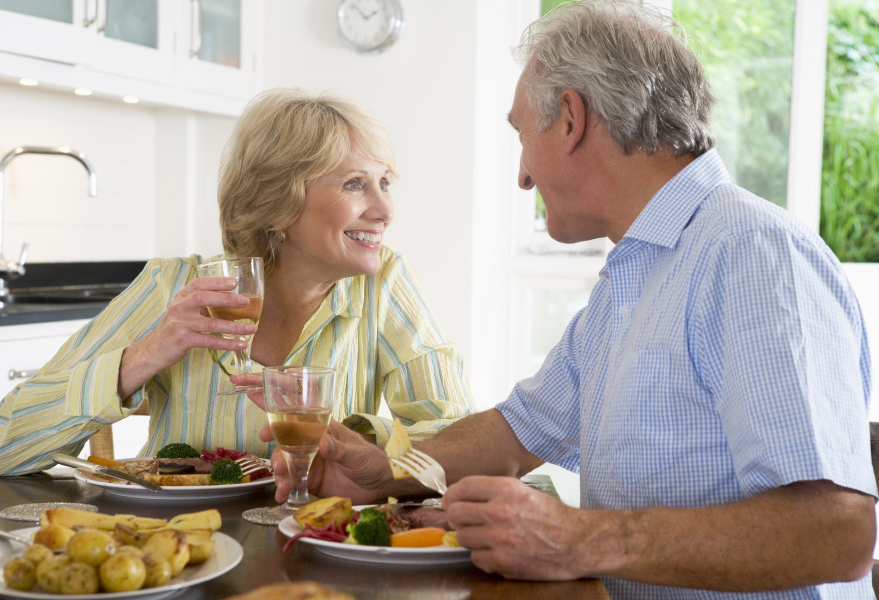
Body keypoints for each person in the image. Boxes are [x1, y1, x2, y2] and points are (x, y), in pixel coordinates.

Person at [265, 2, 877, 598]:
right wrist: (393, 470)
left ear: (570, 119)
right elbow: (518, 430)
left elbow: (837, 532)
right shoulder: (640, 269)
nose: (524, 175)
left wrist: (582, 539)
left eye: (521, 134)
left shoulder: (752, 253)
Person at [0, 88, 475, 476]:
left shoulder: (383, 283)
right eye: (354, 184)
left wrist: (338, 435)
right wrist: (147, 355)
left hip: (315, 555)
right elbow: (2, 445)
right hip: (181, 554)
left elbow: (461, 438)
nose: (385, 210)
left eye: (385, 182)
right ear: (280, 203)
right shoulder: (175, 287)